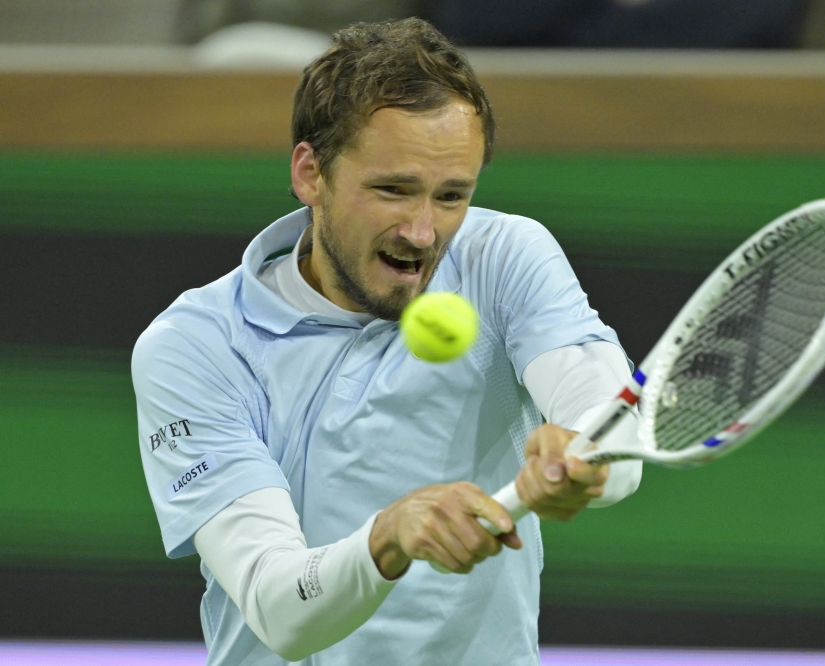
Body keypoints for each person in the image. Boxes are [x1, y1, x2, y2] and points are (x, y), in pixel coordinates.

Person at [133, 17, 641, 666]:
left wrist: (587, 458)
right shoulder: (197, 345)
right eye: (393, 190)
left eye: (452, 195)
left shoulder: (503, 256)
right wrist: (388, 537)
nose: (425, 232)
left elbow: (608, 418)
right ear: (310, 173)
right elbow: (279, 608)